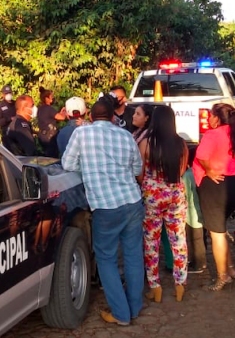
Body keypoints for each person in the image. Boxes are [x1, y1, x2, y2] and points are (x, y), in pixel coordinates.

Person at [62, 100, 145, 326]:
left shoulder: (81, 134)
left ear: (90, 116)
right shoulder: (126, 135)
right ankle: (135, 307)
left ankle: (121, 314)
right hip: (132, 201)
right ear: (111, 117)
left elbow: (67, 164)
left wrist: (88, 167)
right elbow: (138, 169)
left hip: (106, 206)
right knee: (133, 255)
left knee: (106, 259)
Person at [193, 103, 235, 291]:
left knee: (217, 233)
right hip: (234, 185)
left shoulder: (213, 134)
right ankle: (230, 268)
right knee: (221, 228)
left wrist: (210, 170)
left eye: (211, 115)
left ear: (217, 118)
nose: (208, 119)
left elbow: (201, 155)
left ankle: (222, 277)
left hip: (215, 186)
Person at [138, 105, 189, 302]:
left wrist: (150, 185)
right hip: (175, 193)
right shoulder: (181, 144)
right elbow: (182, 170)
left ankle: (155, 286)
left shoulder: (146, 144)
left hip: (152, 194)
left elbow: (140, 173)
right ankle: (180, 284)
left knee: (151, 242)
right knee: (179, 240)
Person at [182, 147, 207, 274]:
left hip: (191, 214)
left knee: (194, 240)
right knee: (202, 238)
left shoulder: (187, 175)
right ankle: (201, 260)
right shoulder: (205, 172)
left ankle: (199, 265)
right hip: (204, 211)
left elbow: (183, 194)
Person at [37, 88, 68, 157]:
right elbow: (61, 118)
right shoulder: (49, 109)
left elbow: (54, 117)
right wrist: (66, 112)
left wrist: (61, 112)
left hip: (42, 136)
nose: (53, 98)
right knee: (52, 156)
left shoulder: (40, 108)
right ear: (46, 98)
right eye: (51, 97)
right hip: (50, 137)